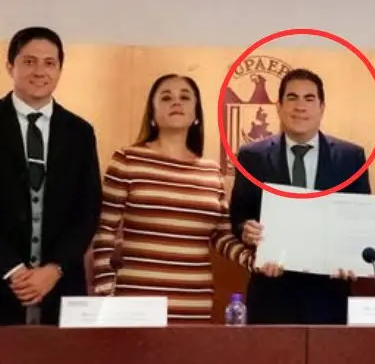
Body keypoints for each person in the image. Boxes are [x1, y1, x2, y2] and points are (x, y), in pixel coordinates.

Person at [92, 74, 255, 324]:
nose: (176, 102)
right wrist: (104, 295)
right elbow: (105, 232)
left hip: (194, 305)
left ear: (196, 114)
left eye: (185, 97)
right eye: (166, 98)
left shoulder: (211, 172)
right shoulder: (127, 160)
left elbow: (222, 237)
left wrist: (256, 261)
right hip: (137, 305)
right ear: (152, 114)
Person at [229, 68, 371, 324]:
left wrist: (352, 258)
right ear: (279, 106)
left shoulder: (351, 158)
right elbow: (239, 218)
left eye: (309, 98)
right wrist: (246, 230)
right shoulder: (252, 157)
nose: (300, 107)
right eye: (292, 97)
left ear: (322, 107)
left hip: (329, 294)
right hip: (271, 291)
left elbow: (361, 221)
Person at [0, 26, 102, 325]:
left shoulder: (80, 132)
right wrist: (12, 269)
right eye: (29, 61)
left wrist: (55, 268)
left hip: (61, 287)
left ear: (59, 69)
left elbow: (88, 210)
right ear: (10, 66)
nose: (39, 71)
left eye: (49, 63)